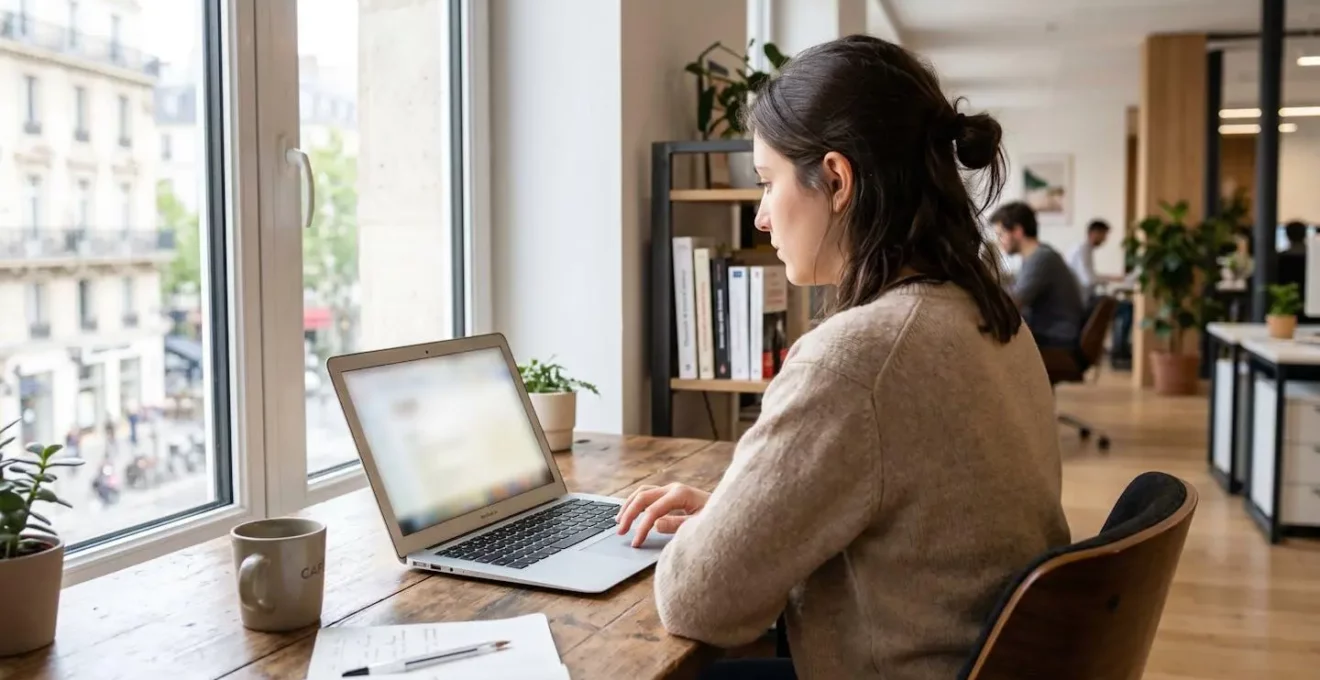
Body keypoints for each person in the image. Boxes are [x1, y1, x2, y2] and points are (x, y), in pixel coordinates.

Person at [615, 35, 1070, 680]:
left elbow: (696, 602)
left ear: (836, 180)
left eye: (768, 184)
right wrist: (730, 510)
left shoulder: (857, 358)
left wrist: (716, 531)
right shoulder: (985, 312)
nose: (762, 219)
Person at [991, 202, 1085, 349]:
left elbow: (1013, 303)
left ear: (1017, 231)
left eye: (1001, 234)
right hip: (1055, 334)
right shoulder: (1039, 255)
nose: (999, 242)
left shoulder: (1041, 258)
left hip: (1057, 338)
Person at [1066, 219, 1121, 301]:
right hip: (1079, 298)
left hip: (1082, 295)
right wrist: (1110, 279)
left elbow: (1090, 276)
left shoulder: (1085, 249)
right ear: (1094, 233)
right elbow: (1088, 279)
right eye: (1103, 235)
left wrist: (1111, 278)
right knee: (1122, 305)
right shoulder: (1082, 250)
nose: (1104, 239)